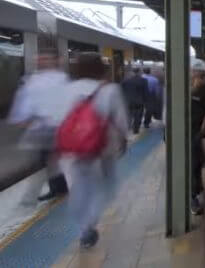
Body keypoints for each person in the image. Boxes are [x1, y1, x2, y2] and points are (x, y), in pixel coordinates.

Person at [59, 53, 129, 248]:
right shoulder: (110, 90)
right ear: (100, 68)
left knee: (78, 189)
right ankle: (90, 225)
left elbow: (59, 119)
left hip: (72, 151)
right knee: (102, 188)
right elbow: (121, 121)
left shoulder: (67, 90)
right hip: (101, 149)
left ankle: (83, 228)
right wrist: (123, 140)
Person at [7, 48, 70, 204]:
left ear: (56, 60)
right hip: (40, 129)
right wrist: (20, 118)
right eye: (40, 59)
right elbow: (24, 101)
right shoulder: (32, 80)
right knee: (46, 160)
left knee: (52, 160)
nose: (42, 61)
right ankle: (58, 188)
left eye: (46, 58)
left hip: (59, 128)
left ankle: (57, 189)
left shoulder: (63, 79)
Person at [190, 61, 205, 215]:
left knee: (195, 162)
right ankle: (193, 195)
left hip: (196, 131)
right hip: (188, 131)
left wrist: (203, 128)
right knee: (192, 163)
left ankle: (195, 191)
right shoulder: (187, 89)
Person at [121, 67, 148, 134]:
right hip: (139, 101)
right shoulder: (143, 80)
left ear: (132, 72)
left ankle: (127, 127)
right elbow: (146, 92)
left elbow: (121, 90)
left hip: (128, 101)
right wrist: (146, 101)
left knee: (129, 114)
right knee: (138, 116)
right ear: (139, 72)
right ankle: (136, 129)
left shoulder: (126, 80)